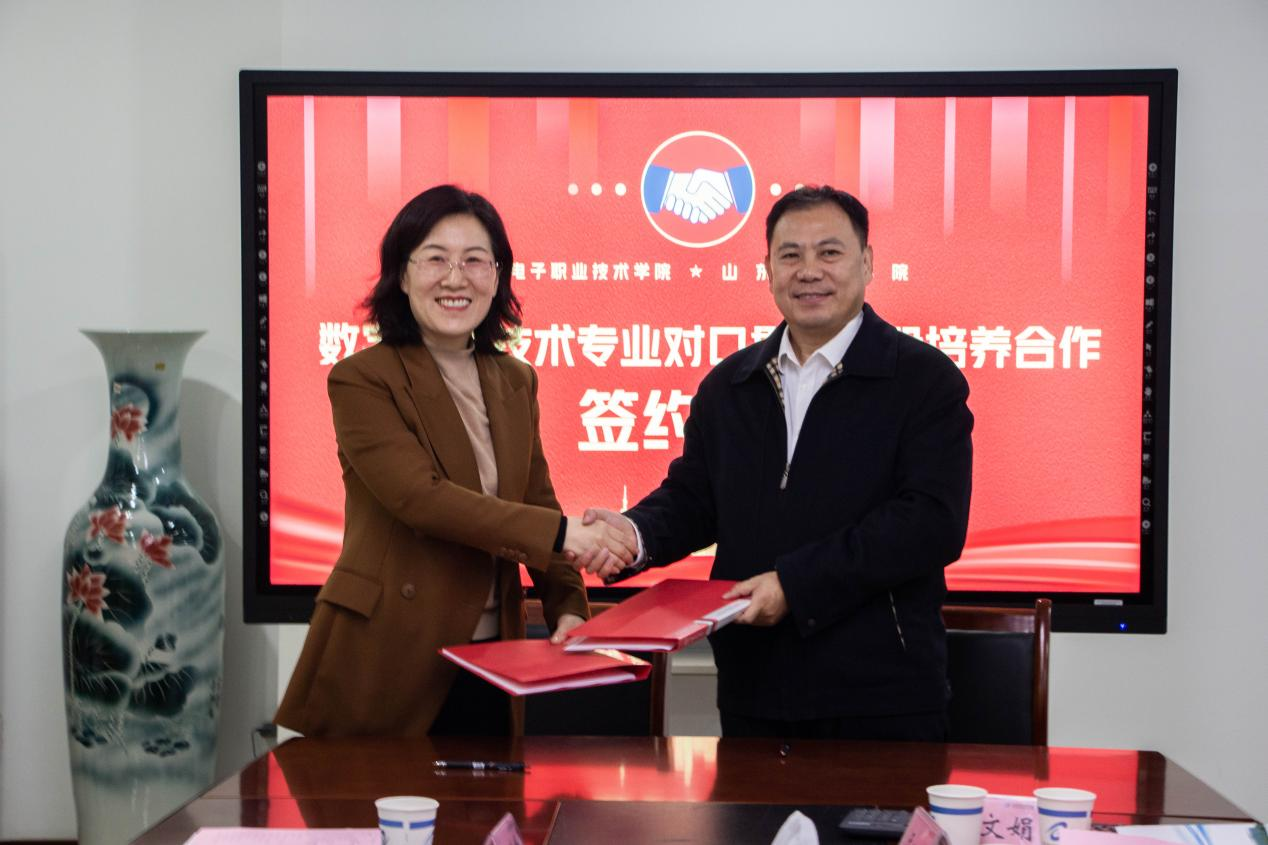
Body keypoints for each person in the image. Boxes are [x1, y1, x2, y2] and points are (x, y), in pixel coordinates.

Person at [578, 185, 973, 741]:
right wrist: (634, 534)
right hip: (754, 689)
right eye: (790, 255)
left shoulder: (924, 380)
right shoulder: (730, 384)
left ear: (867, 263)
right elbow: (695, 500)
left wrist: (795, 584)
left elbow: (931, 523)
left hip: (883, 696)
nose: (809, 271)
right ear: (767, 270)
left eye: (829, 252)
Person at [275, 185, 635, 737]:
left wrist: (567, 606)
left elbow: (536, 501)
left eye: (474, 261)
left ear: (497, 275)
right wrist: (565, 533)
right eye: (435, 259)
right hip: (389, 649)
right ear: (402, 274)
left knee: (491, 792)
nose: (455, 278)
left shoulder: (515, 380)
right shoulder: (363, 378)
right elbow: (422, 500)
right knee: (377, 795)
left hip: (494, 658)